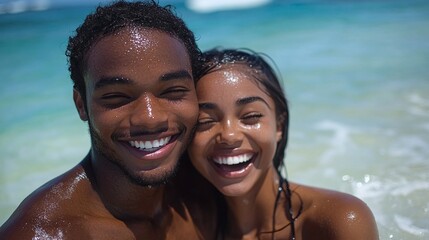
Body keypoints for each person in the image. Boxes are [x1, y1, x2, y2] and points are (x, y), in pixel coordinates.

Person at [0, 1, 218, 239]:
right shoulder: (43, 234)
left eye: (172, 91)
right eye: (117, 96)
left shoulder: (207, 196)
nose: (150, 117)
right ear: (81, 105)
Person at [188, 48, 379, 239]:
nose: (229, 135)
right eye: (204, 121)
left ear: (279, 126)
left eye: (251, 116)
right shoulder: (186, 228)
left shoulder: (339, 221)